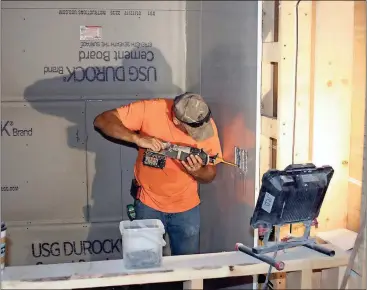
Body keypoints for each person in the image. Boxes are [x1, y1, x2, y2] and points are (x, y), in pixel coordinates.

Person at [93, 93, 223, 255]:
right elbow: (102, 120)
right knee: (145, 265)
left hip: (186, 209)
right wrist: (137, 138)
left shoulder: (204, 122)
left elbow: (210, 174)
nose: (200, 133)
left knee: (187, 269)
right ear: (176, 120)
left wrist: (198, 171)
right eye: (192, 130)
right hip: (148, 205)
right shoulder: (151, 109)